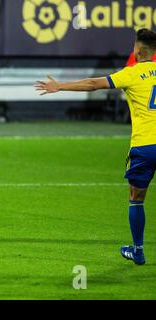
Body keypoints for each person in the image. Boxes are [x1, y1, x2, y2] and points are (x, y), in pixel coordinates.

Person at [35, 28, 156, 265]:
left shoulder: (131, 74)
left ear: (138, 50)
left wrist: (59, 86)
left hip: (145, 145)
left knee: (136, 197)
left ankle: (138, 250)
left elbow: (92, 84)